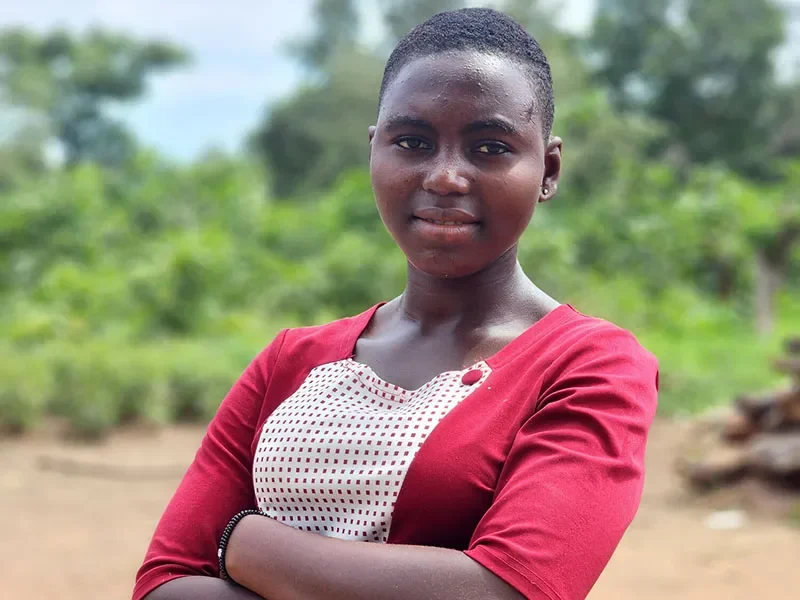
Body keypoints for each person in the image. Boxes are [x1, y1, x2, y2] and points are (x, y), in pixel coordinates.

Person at [132, 7, 659, 600]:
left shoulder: (589, 367)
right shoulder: (290, 361)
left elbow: (511, 592)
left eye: (489, 148)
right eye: (412, 142)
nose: (445, 177)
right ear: (374, 151)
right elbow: (162, 584)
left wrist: (246, 544)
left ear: (548, 169)